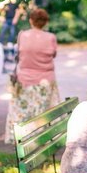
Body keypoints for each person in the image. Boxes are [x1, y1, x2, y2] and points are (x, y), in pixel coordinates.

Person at [4, 8, 58, 142]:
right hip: (45, 82)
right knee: (42, 114)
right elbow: (54, 55)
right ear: (45, 22)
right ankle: (41, 140)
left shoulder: (22, 35)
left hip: (24, 81)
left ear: (31, 21)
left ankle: (22, 140)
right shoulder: (51, 38)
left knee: (23, 113)